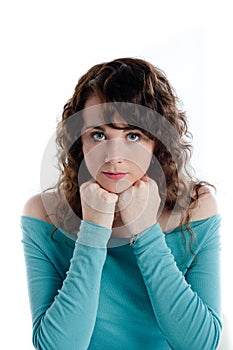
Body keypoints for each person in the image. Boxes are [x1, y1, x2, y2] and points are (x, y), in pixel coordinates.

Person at [21, 57, 222, 350]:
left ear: (157, 143)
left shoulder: (195, 209)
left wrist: (145, 232)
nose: (114, 155)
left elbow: (200, 344)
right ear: (80, 141)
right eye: (99, 135)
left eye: (133, 135)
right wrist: (93, 230)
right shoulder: (44, 214)